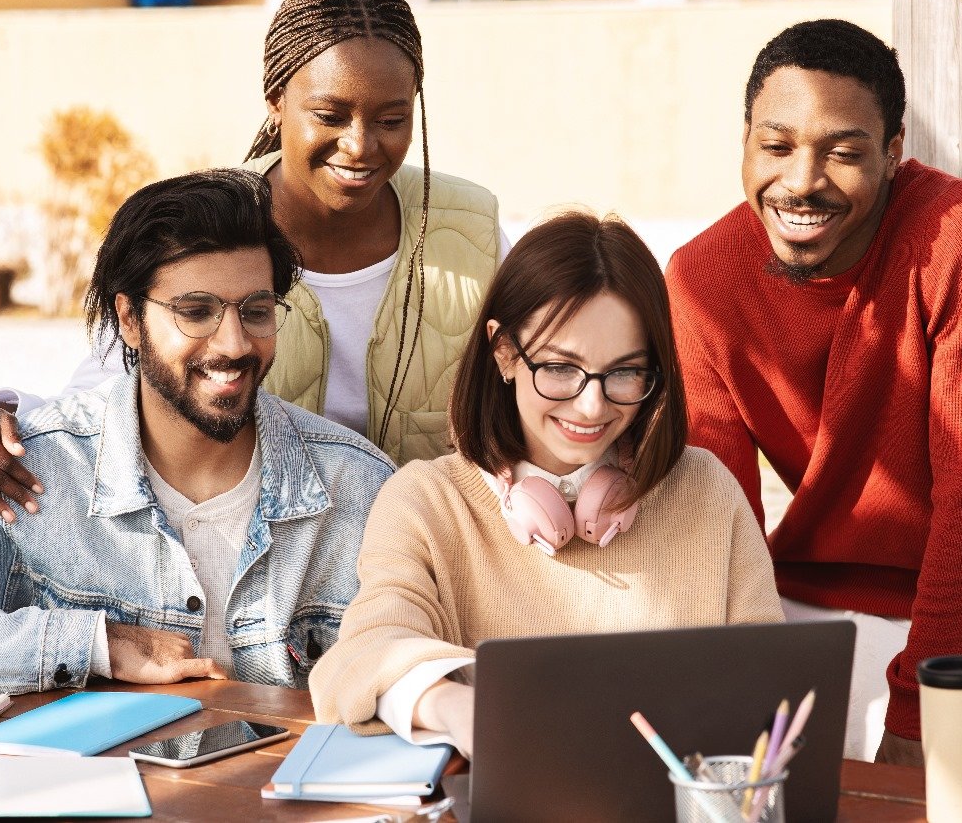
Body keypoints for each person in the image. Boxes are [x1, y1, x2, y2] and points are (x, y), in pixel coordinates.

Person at [0, 0, 501, 526]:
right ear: (277, 101)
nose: (359, 145)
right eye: (330, 116)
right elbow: (107, 393)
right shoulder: (206, 225)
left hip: (434, 552)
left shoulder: (469, 230)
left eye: (392, 120)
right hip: (267, 562)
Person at [0, 169, 395, 698]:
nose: (235, 343)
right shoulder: (26, 472)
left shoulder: (357, 487)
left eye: (257, 310)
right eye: (196, 312)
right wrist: (92, 644)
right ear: (130, 319)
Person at [664, 19, 962, 771]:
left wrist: (920, 712)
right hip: (797, 602)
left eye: (844, 153)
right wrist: (734, 684)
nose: (802, 181)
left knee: (935, 812)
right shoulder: (700, 278)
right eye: (775, 146)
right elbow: (720, 513)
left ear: (893, 151)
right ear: (744, 142)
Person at [309, 211, 783, 758]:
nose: (592, 406)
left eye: (625, 372)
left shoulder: (705, 491)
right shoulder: (426, 502)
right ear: (505, 353)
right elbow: (364, 653)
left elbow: (773, 681)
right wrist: (456, 707)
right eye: (560, 368)